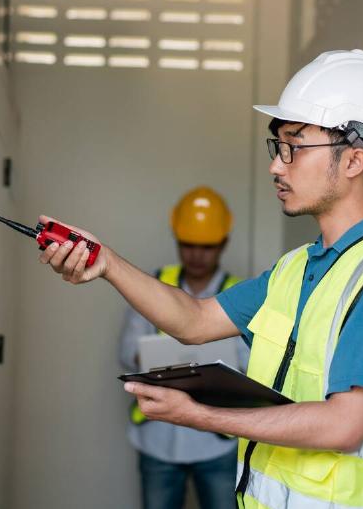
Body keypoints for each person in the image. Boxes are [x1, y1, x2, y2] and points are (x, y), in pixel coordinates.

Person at [37, 49, 363, 509]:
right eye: (277, 147)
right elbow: (195, 320)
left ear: (353, 160)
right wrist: (106, 263)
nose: (276, 165)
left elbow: (343, 426)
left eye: (294, 146)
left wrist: (203, 416)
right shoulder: (297, 269)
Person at [119, 186, 248, 509]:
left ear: (223, 244)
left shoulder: (239, 292)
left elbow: (252, 363)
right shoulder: (154, 285)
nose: (196, 255)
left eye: (206, 247)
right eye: (188, 245)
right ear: (177, 240)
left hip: (218, 440)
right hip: (157, 437)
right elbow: (127, 352)